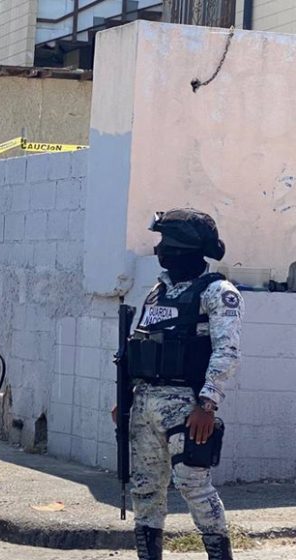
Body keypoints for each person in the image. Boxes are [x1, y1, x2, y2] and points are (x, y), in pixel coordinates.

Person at [115, 209, 241, 560]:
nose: (161, 250)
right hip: (144, 406)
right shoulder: (158, 291)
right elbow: (138, 345)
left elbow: (227, 351)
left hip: (187, 408)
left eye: (168, 243)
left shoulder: (217, 292)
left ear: (188, 248)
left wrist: (207, 404)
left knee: (193, 485)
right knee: (145, 490)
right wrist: (124, 398)